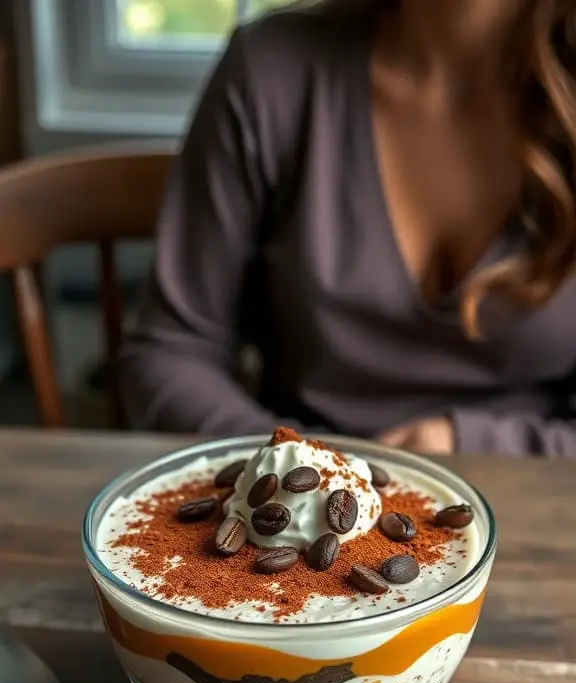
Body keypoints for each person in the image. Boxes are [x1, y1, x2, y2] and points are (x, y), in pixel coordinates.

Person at [120, 0, 576, 456]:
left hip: (542, 507)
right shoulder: (271, 70)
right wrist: (300, 468)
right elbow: (170, 352)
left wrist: (475, 444)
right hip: (295, 510)